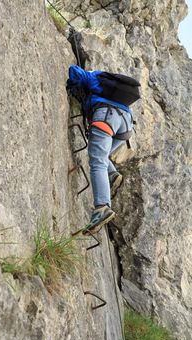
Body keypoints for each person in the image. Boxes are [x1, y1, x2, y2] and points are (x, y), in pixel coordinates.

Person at [67, 64, 139, 233]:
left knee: (97, 161)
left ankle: (102, 207)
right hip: (126, 125)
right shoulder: (116, 88)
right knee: (102, 155)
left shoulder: (95, 76)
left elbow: (74, 71)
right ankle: (112, 174)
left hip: (106, 117)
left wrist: (81, 79)